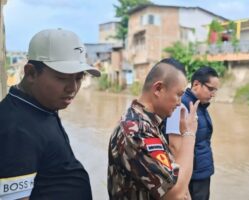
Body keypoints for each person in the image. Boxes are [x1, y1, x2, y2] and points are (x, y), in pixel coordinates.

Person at [0, 29, 100, 200]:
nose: (73, 88)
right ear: (31, 73)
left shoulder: (41, 106)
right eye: (62, 78)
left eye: (78, 78)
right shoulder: (16, 128)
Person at [108, 58, 200, 200]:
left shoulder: (147, 122)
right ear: (158, 89)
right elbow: (174, 194)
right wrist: (189, 134)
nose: (179, 102)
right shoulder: (138, 131)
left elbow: (169, 174)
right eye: (178, 94)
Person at [165, 66, 220, 200]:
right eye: (210, 89)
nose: (213, 94)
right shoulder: (181, 106)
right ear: (196, 84)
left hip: (201, 173)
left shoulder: (198, 105)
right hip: (192, 177)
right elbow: (174, 146)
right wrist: (182, 184)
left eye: (215, 90)